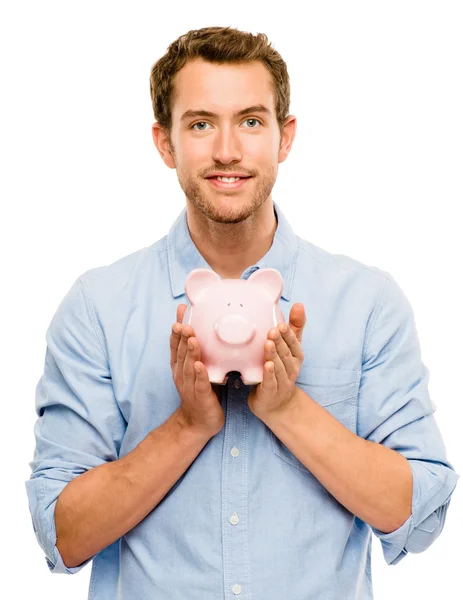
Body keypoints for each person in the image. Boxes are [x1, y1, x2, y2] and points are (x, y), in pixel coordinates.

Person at [25, 25, 459, 599]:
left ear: (285, 137)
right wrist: (188, 424)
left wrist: (288, 408)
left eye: (251, 121)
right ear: (165, 143)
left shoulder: (366, 303)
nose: (227, 150)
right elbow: (62, 535)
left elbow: (421, 519)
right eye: (200, 124)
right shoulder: (98, 308)